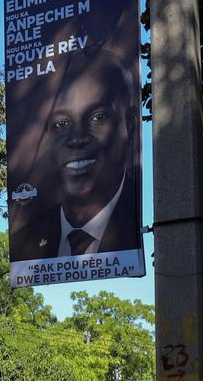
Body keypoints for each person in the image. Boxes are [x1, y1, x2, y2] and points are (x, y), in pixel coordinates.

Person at [10, 51, 139, 260]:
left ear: (130, 125)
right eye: (61, 123)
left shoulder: (134, 218)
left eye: (98, 117)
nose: (77, 138)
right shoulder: (24, 243)